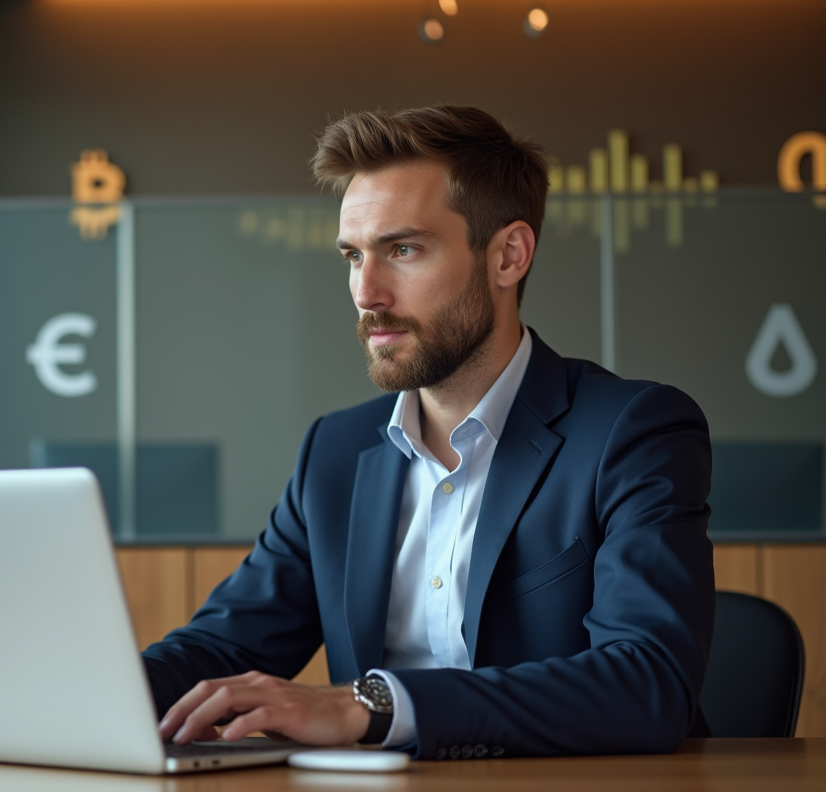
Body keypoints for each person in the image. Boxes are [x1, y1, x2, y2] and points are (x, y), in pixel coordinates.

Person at [142, 105, 715, 759]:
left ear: (508, 255)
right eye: (353, 256)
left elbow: (647, 684)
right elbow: (223, 646)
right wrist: (73, 692)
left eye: (402, 250)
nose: (367, 291)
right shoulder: (335, 452)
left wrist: (370, 706)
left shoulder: (632, 431)